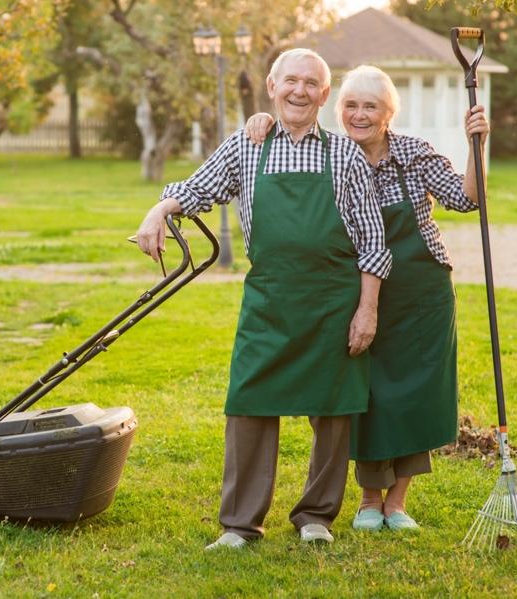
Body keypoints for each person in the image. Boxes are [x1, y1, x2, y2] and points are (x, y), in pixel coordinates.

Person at [136, 49, 391, 549]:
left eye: (310, 83)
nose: (299, 90)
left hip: (333, 300)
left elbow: (372, 241)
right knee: (248, 403)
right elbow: (198, 188)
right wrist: (159, 210)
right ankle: (240, 524)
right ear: (272, 86)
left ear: (324, 94)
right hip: (270, 299)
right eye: (290, 80)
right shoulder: (246, 145)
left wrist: (367, 309)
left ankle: (316, 516)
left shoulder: (345, 155)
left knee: (335, 410)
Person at [245, 64, 490, 531]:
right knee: (366, 393)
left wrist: (479, 143)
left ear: (388, 113)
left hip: (421, 293)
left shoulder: (414, 155)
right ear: (338, 109)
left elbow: (466, 199)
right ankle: (368, 499)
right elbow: (284, 138)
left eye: (370, 106)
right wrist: (264, 121)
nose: (360, 115)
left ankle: (397, 501)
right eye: (351, 106)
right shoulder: (330, 154)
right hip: (355, 294)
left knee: (416, 393)